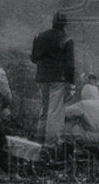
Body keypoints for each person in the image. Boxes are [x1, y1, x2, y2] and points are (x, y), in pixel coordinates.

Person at [31, 10, 75, 147]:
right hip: (58, 78)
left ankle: (39, 140)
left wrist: (44, 65)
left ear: (53, 22)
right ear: (65, 24)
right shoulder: (67, 39)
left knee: (44, 109)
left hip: (42, 77)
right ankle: (51, 144)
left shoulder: (39, 36)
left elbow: (33, 58)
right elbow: (70, 65)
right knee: (55, 112)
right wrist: (71, 83)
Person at [63, 83, 99, 151]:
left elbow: (64, 113)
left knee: (69, 126)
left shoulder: (84, 104)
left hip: (95, 139)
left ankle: (75, 151)